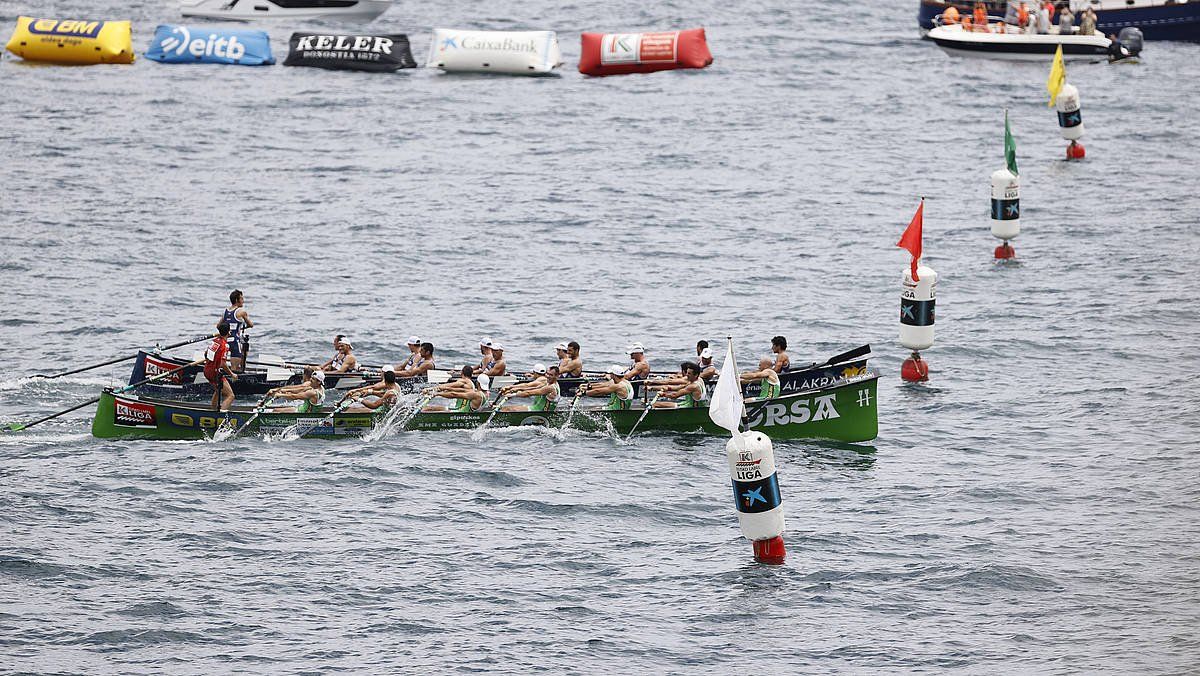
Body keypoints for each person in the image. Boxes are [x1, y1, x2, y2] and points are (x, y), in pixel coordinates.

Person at [204, 322, 238, 411]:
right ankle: (220, 416)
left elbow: (206, 354)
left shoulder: (215, 341)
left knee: (218, 391)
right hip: (215, 373)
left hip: (207, 370)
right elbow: (223, 364)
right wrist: (232, 374)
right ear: (229, 332)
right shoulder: (225, 345)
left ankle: (213, 411)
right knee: (230, 395)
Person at [423, 366, 488, 412]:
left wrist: (432, 390)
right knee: (432, 408)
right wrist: (440, 390)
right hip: (461, 409)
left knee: (428, 408)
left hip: (460, 411)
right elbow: (456, 390)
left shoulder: (465, 381)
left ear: (478, 383)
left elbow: (453, 392)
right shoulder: (485, 393)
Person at [218, 289, 253, 373]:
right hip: (235, 342)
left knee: (230, 364)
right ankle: (241, 374)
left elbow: (218, 326)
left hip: (225, 341)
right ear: (237, 300)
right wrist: (241, 328)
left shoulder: (225, 312)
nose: (243, 301)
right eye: (241, 299)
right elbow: (251, 325)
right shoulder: (241, 312)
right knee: (235, 368)